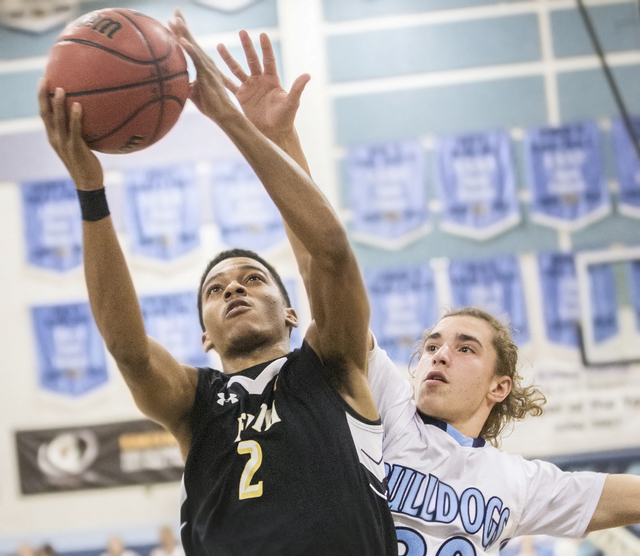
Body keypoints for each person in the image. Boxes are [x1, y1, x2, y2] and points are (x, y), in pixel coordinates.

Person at [38, 8, 395, 556]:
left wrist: (238, 122)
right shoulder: (192, 400)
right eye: (215, 289)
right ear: (203, 334)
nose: (233, 290)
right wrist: (90, 188)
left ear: (293, 312)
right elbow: (128, 349)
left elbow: (330, 255)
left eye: (253, 279)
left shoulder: (333, 365)